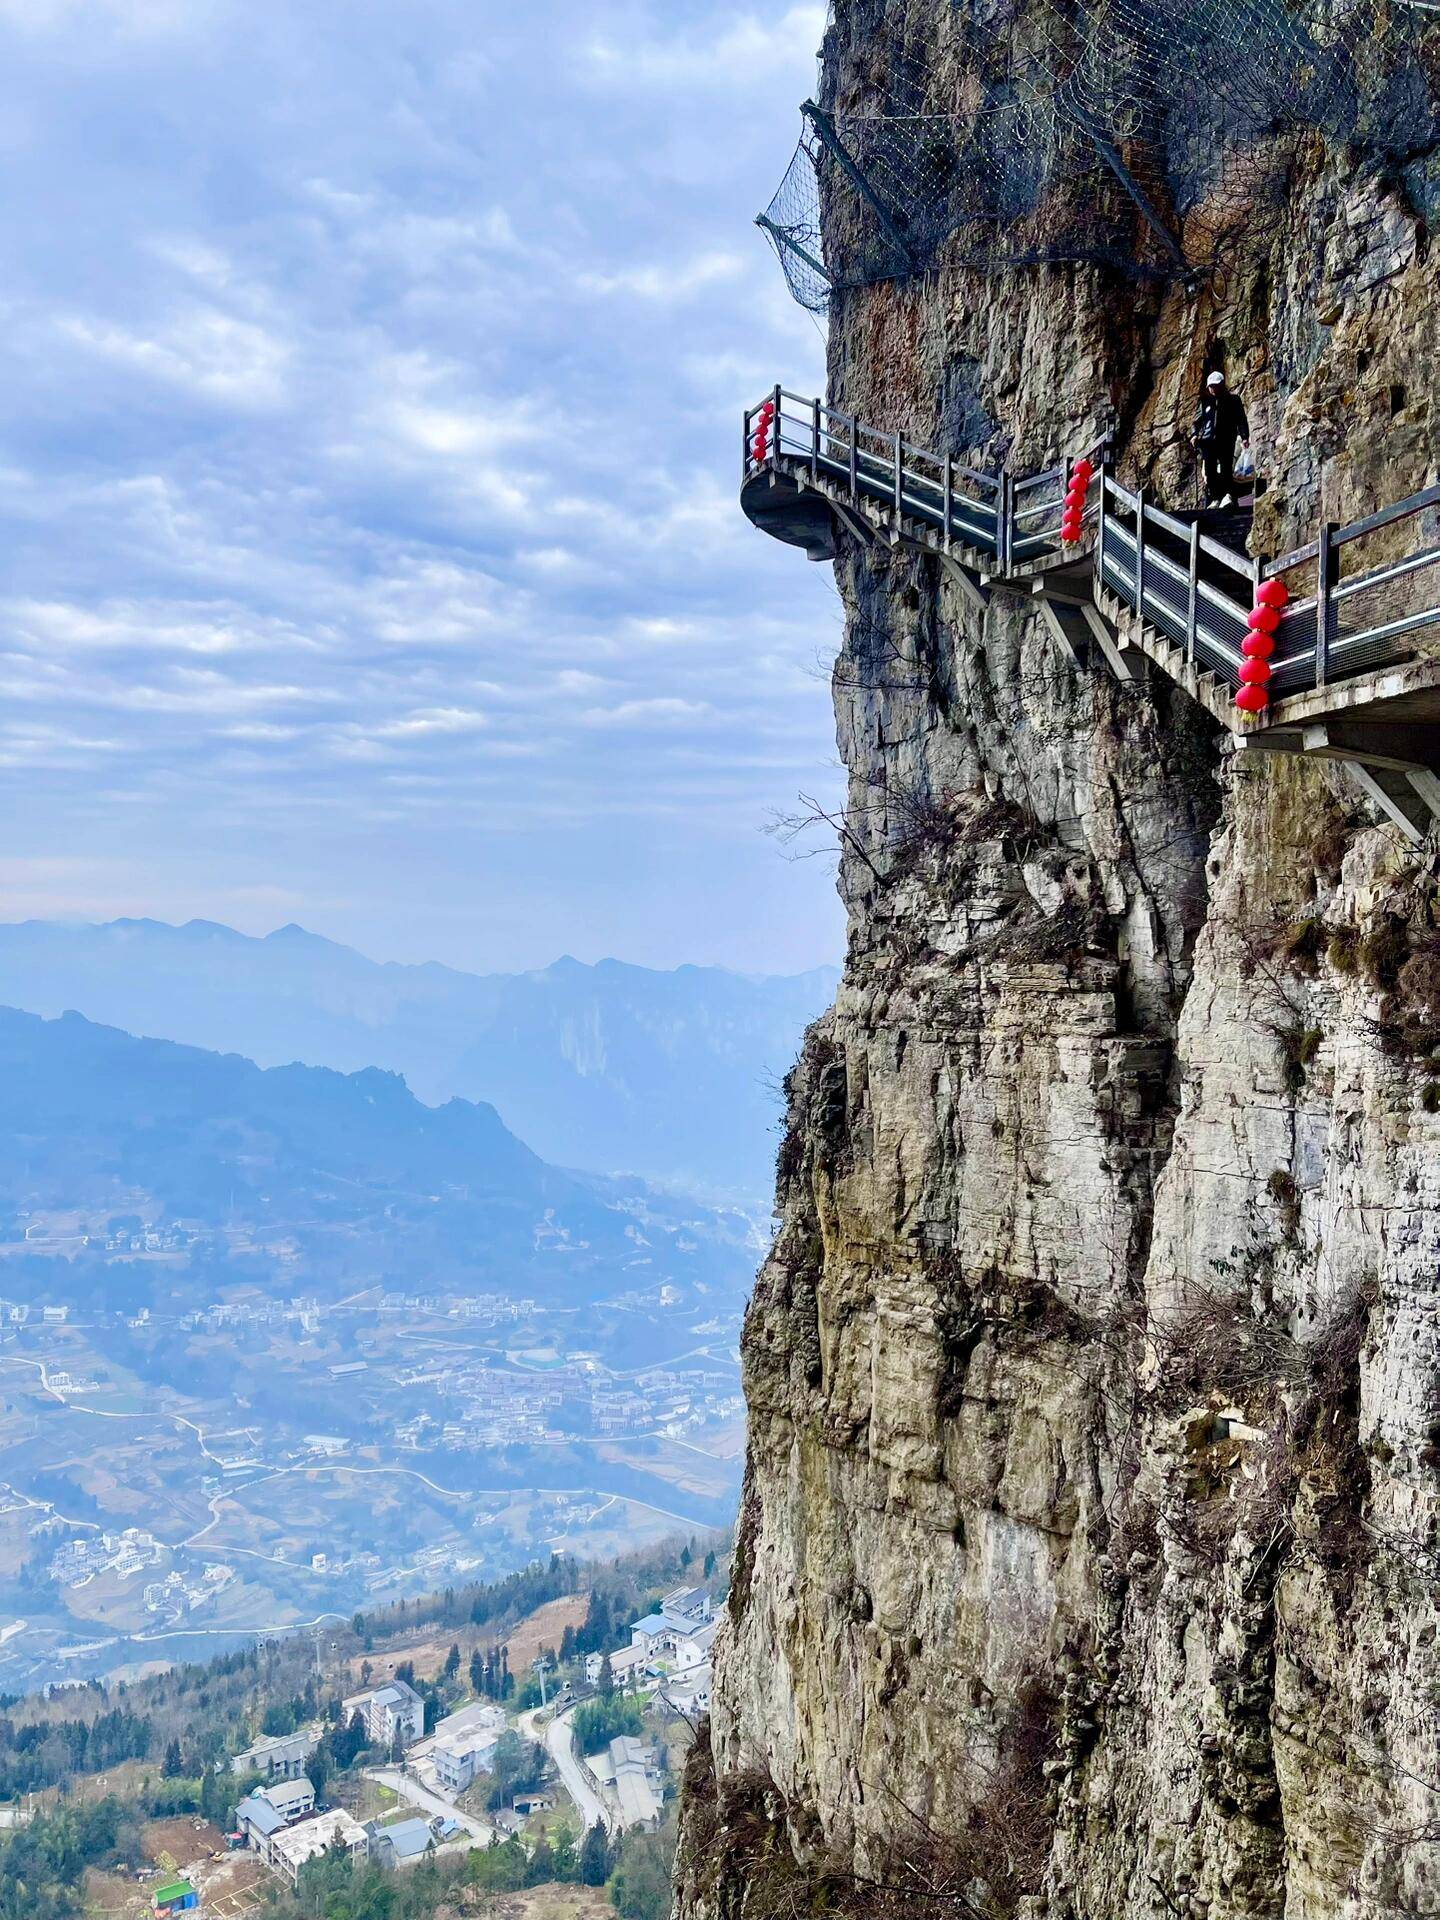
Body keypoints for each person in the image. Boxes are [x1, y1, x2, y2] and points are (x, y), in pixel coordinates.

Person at [1194, 369, 1251, 508]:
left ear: (1221, 385)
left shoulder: (1233, 400)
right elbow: (1197, 421)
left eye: (1215, 385)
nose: (1212, 389)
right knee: (1210, 471)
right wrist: (1194, 434)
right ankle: (1215, 498)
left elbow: (1241, 420)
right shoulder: (1205, 402)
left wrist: (1244, 436)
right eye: (1210, 386)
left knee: (1226, 468)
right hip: (1208, 440)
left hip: (1226, 439)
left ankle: (1228, 495)